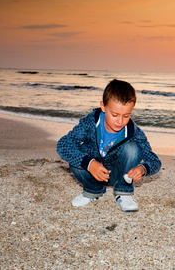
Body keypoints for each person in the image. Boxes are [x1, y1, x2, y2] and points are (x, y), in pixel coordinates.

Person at [57, 79, 161, 212]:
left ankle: (123, 193)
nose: (120, 121)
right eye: (115, 115)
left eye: (126, 115)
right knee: (77, 153)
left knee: (133, 148)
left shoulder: (133, 131)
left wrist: (142, 168)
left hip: (119, 175)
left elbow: (154, 161)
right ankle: (93, 192)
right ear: (103, 107)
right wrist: (90, 164)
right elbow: (63, 144)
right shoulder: (90, 122)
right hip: (91, 173)